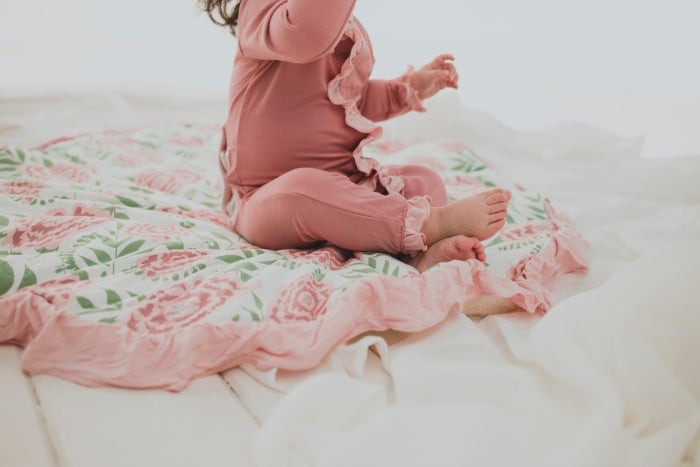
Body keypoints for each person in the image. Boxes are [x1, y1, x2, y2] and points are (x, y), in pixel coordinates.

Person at [200, 0, 511, 272]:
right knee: (304, 188)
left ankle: (420, 256)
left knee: (423, 181)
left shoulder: (341, 29)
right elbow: (305, 33)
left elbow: (352, 99)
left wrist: (408, 89)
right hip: (266, 200)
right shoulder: (261, 12)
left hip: (346, 187)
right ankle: (430, 224)